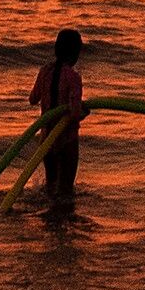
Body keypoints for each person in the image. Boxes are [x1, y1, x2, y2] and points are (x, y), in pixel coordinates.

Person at [26, 27, 88, 219]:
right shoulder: (73, 77)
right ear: (75, 53)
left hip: (47, 138)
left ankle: (51, 220)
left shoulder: (44, 72)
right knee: (66, 189)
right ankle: (64, 221)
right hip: (67, 138)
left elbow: (33, 99)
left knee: (51, 185)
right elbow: (74, 113)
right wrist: (85, 111)